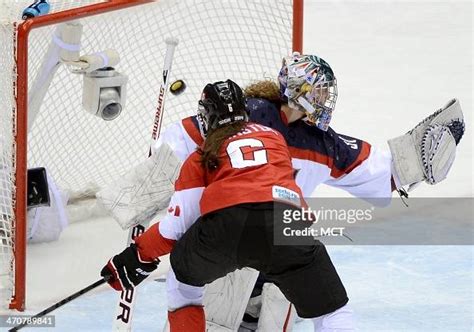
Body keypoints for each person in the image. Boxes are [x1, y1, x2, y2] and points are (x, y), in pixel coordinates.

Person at [97, 52, 464, 330]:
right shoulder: (253, 117)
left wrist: (416, 159)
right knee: (223, 319)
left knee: (233, 303)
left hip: (236, 240)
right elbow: (176, 152)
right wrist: (138, 196)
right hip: (272, 240)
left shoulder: (317, 139)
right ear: (300, 91)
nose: (325, 99)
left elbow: (379, 171)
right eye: (319, 91)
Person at [101, 79, 354, 331]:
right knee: (332, 309)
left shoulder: (201, 156)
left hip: (226, 229)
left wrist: (136, 256)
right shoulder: (274, 137)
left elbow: (174, 231)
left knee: (183, 283)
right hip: (286, 225)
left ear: (205, 115)